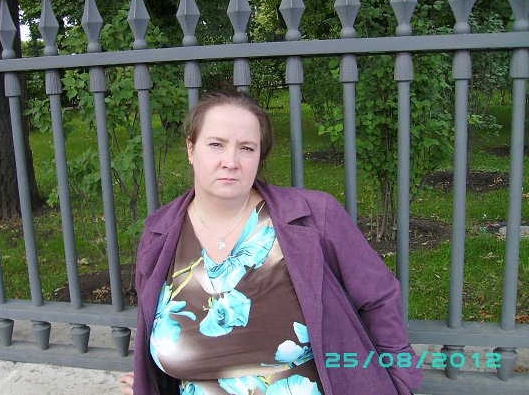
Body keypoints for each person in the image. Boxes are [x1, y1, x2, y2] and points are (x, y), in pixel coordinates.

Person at [120, 89, 423, 394]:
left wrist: (401, 383)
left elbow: (379, 298)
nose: (230, 161)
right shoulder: (160, 235)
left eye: (246, 148)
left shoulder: (315, 216)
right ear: (190, 148)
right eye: (216, 145)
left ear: (259, 156)